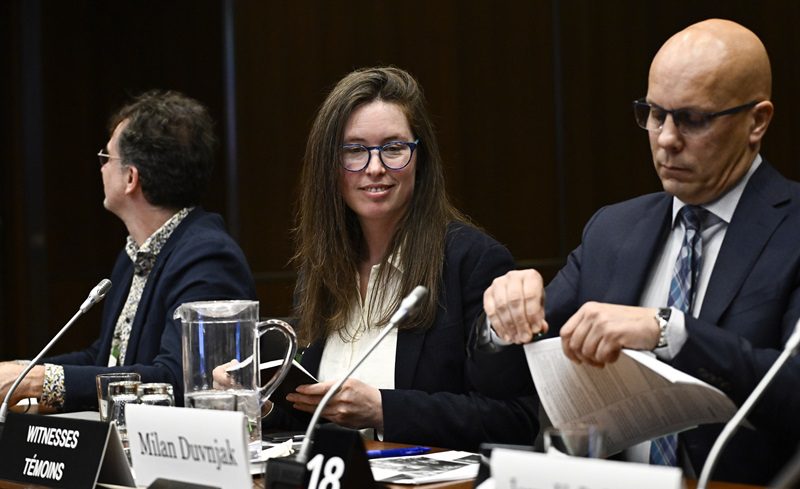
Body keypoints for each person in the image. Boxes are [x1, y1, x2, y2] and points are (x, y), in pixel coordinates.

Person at [481, 19, 800, 485]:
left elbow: (793, 392)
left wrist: (668, 331)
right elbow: (503, 385)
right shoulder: (614, 229)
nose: (667, 138)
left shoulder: (792, 229)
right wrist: (503, 320)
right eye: (654, 114)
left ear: (757, 121)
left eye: (693, 119)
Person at [264, 66, 538, 451]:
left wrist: (383, 409)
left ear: (420, 158)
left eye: (393, 148)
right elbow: (317, 418)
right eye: (354, 150)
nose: (375, 168)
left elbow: (514, 419)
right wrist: (257, 399)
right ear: (330, 164)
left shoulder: (474, 263)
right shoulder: (321, 268)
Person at [0, 90, 256, 412]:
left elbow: (176, 379)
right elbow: (105, 358)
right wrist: (21, 376)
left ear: (131, 178)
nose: (102, 168)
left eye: (106, 158)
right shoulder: (134, 254)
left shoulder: (208, 258)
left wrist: (37, 382)